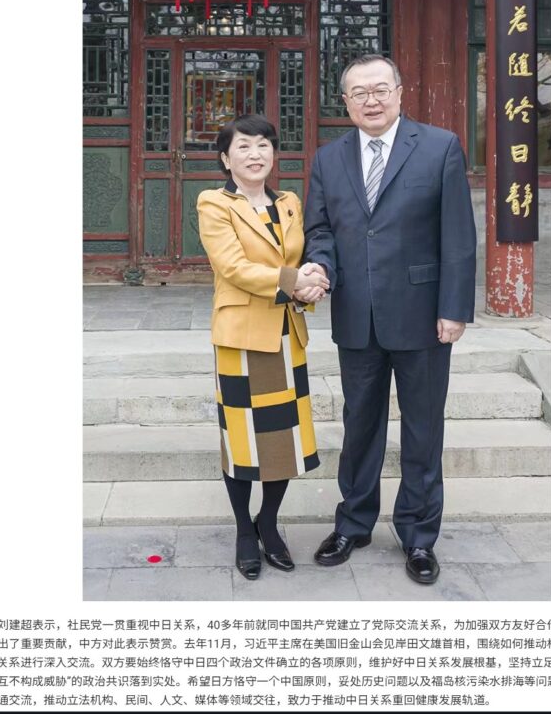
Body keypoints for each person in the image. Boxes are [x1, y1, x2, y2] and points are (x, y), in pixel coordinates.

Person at [301, 55, 476, 585]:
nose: (371, 100)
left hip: (423, 316)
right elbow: (320, 230)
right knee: (360, 426)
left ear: (400, 92)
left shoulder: (440, 146)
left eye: (380, 89)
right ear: (346, 102)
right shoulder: (328, 158)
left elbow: (458, 235)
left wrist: (453, 308)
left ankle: (418, 536)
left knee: (423, 428)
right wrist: (320, 267)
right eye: (359, 93)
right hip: (357, 313)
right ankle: (353, 524)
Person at [197, 114, 329, 581]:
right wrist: (295, 280)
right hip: (240, 338)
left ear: (274, 154)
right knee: (242, 440)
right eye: (243, 146)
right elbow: (233, 267)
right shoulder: (214, 203)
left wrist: (314, 278)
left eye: (263, 146)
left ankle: (268, 523)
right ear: (225, 158)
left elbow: (305, 255)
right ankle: (242, 530)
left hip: (286, 334)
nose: (255, 155)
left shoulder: (289, 203)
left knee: (282, 439)